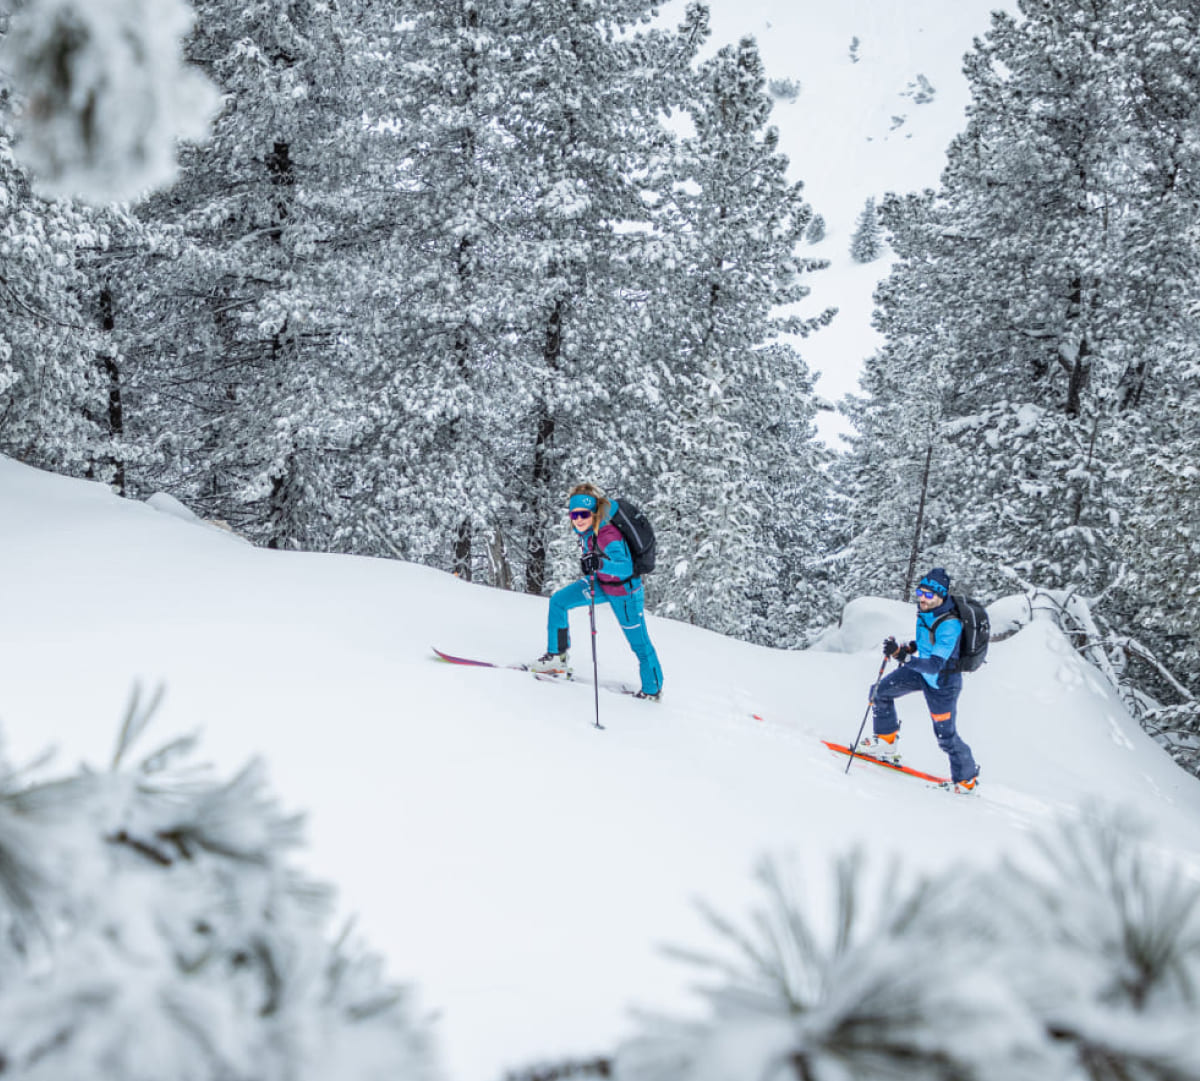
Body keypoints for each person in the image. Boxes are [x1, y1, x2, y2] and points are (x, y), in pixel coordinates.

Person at [530, 483, 664, 700]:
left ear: (593, 513)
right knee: (559, 601)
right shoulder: (588, 531)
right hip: (600, 584)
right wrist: (596, 568)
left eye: (583, 514)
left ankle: (652, 689)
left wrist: (599, 564)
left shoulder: (607, 535)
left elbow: (625, 568)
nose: (578, 519)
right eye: (574, 515)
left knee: (639, 643)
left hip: (625, 593)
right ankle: (557, 658)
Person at [859, 567, 981, 793]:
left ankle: (966, 779)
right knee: (880, 692)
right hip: (921, 672)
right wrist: (911, 647)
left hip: (942, 684)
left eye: (928, 595)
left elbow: (936, 664)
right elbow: (927, 641)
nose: (922, 599)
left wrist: (901, 656)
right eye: (920, 592)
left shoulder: (949, 624)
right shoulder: (927, 612)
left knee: (946, 737)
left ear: (941, 595)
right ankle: (885, 742)